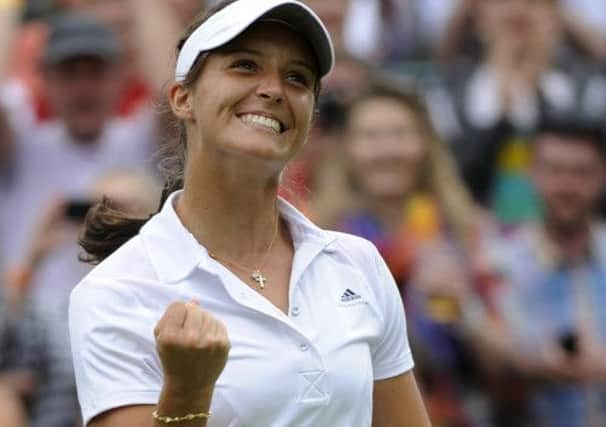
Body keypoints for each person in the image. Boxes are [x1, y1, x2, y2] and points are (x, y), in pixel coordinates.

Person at [68, 1, 432, 426]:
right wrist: (187, 391)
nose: (275, 89)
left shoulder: (360, 264)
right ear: (183, 98)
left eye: (297, 77)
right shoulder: (116, 292)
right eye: (245, 66)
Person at [464, 116, 606, 426]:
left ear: (602, 175)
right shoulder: (495, 262)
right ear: (532, 173)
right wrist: (529, 361)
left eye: (582, 172)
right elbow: (482, 358)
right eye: (554, 170)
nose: (567, 186)